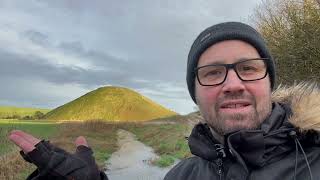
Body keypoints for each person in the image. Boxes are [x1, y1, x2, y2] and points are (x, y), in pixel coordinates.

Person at [8, 22, 320, 180]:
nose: (233, 84)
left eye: (248, 69)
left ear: (269, 82)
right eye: (212, 73)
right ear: (195, 93)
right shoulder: (182, 175)